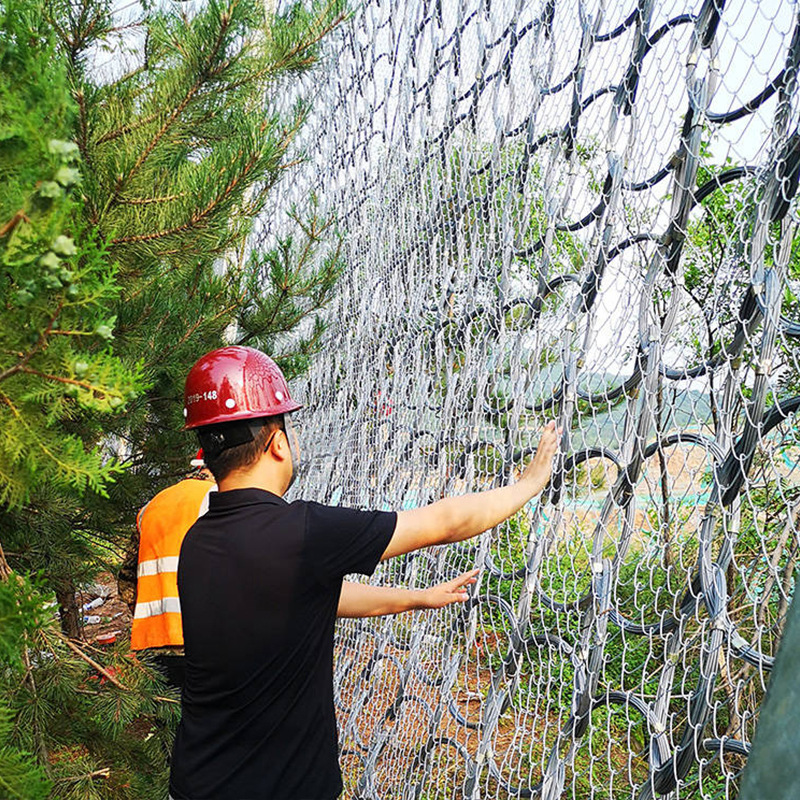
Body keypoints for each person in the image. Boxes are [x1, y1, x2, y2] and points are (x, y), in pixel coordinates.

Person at [169, 346, 559, 800]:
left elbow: (303, 599)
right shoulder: (303, 533)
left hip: (197, 781)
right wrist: (529, 484)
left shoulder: (198, 541)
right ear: (277, 443)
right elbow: (444, 523)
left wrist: (416, 597)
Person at [120, 453, 479, 691]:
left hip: (156, 641)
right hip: (214, 647)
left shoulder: (153, 506)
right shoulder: (222, 505)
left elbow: (129, 580)